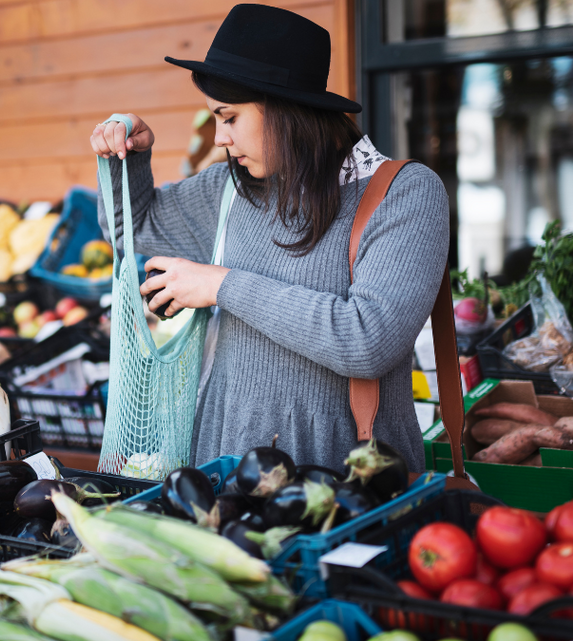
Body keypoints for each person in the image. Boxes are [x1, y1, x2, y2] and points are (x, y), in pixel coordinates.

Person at [90, 4, 449, 473]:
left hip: (343, 483)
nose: (219, 137)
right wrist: (129, 157)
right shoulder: (230, 190)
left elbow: (369, 341)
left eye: (230, 117)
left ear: (284, 111)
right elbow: (131, 229)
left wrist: (222, 285)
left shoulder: (404, 192)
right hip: (220, 474)